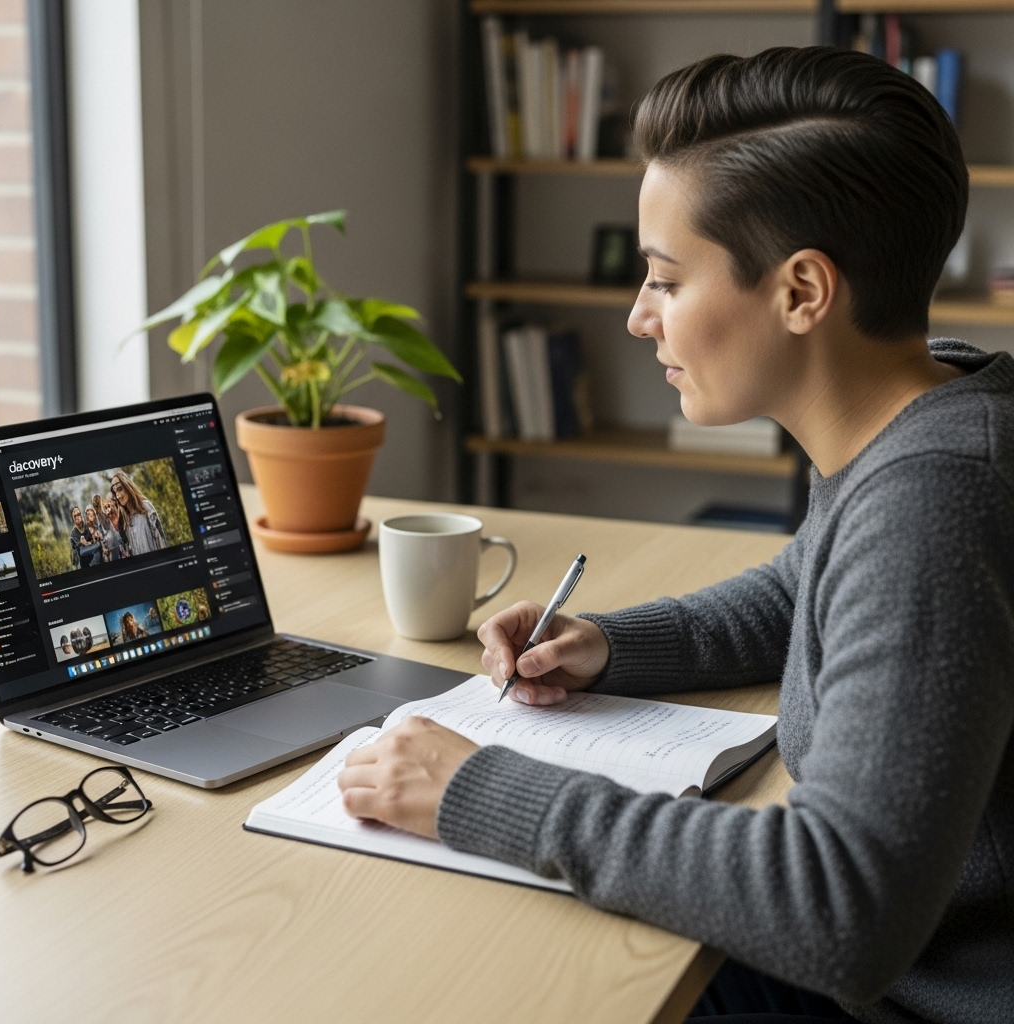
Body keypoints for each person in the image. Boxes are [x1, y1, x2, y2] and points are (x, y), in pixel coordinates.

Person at [336, 48, 1014, 1024]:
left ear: (800, 292)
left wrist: (479, 789)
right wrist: (613, 644)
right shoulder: (937, 404)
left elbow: (841, 908)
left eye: (664, 279)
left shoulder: (936, 503)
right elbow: (805, 592)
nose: (636, 317)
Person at [110, 470, 166, 556]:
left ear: (127, 487)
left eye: (120, 489)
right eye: (115, 492)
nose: (118, 496)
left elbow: (160, 540)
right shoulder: (125, 520)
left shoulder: (145, 507)